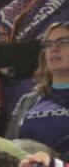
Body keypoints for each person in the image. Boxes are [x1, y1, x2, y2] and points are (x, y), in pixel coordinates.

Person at [6, 21, 69, 154]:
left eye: (63, 42)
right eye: (48, 44)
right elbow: (9, 146)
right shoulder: (26, 101)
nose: (54, 48)